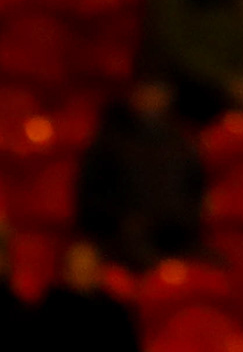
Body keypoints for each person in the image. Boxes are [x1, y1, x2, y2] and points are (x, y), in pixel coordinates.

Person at [74, 73, 205, 265]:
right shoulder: (110, 141)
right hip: (120, 236)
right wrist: (122, 220)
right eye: (145, 92)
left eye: (157, 92)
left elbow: (194, 193)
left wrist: (178, 221)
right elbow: (90, 197)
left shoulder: (181, 143)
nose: (151, 99)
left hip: (173, 236)